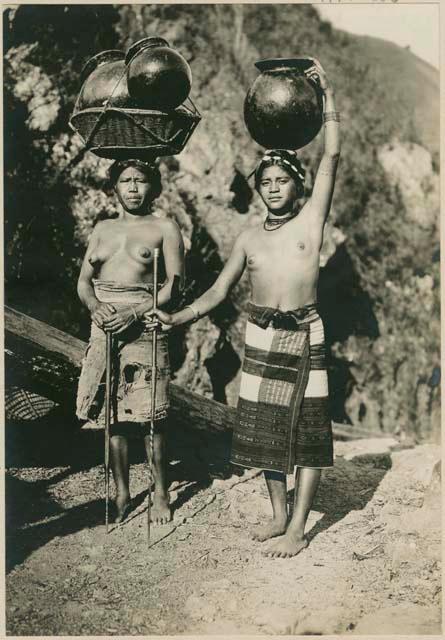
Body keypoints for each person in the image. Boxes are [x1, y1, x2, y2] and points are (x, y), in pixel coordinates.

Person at [154, 58, 340, 557]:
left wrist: (328, 98)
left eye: (283, 180)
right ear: (257, 189)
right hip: (260, 334)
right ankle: (279, 516)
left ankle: (300, 526)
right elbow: (216, 293)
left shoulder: (311, 224)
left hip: (306, 332)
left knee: (308, 430)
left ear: (298, 186)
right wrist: (176, 316)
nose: (274, 187)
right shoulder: (249, 238)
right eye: (266, 181)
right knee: (263, 430)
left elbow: (331, 157)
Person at [76, 158, 184, 525]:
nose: (133, 188)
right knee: (113, 416)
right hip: (104, 325)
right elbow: (83, 282)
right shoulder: (102, 229)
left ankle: (160, 492)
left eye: (140, 180)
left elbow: (173, 286)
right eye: (126, 181)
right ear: (115, 187)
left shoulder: (164, 227)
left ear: (153, 186)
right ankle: (122, 493)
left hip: (144, 323)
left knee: (151, 416)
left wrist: (136, 312)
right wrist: (94, 306)